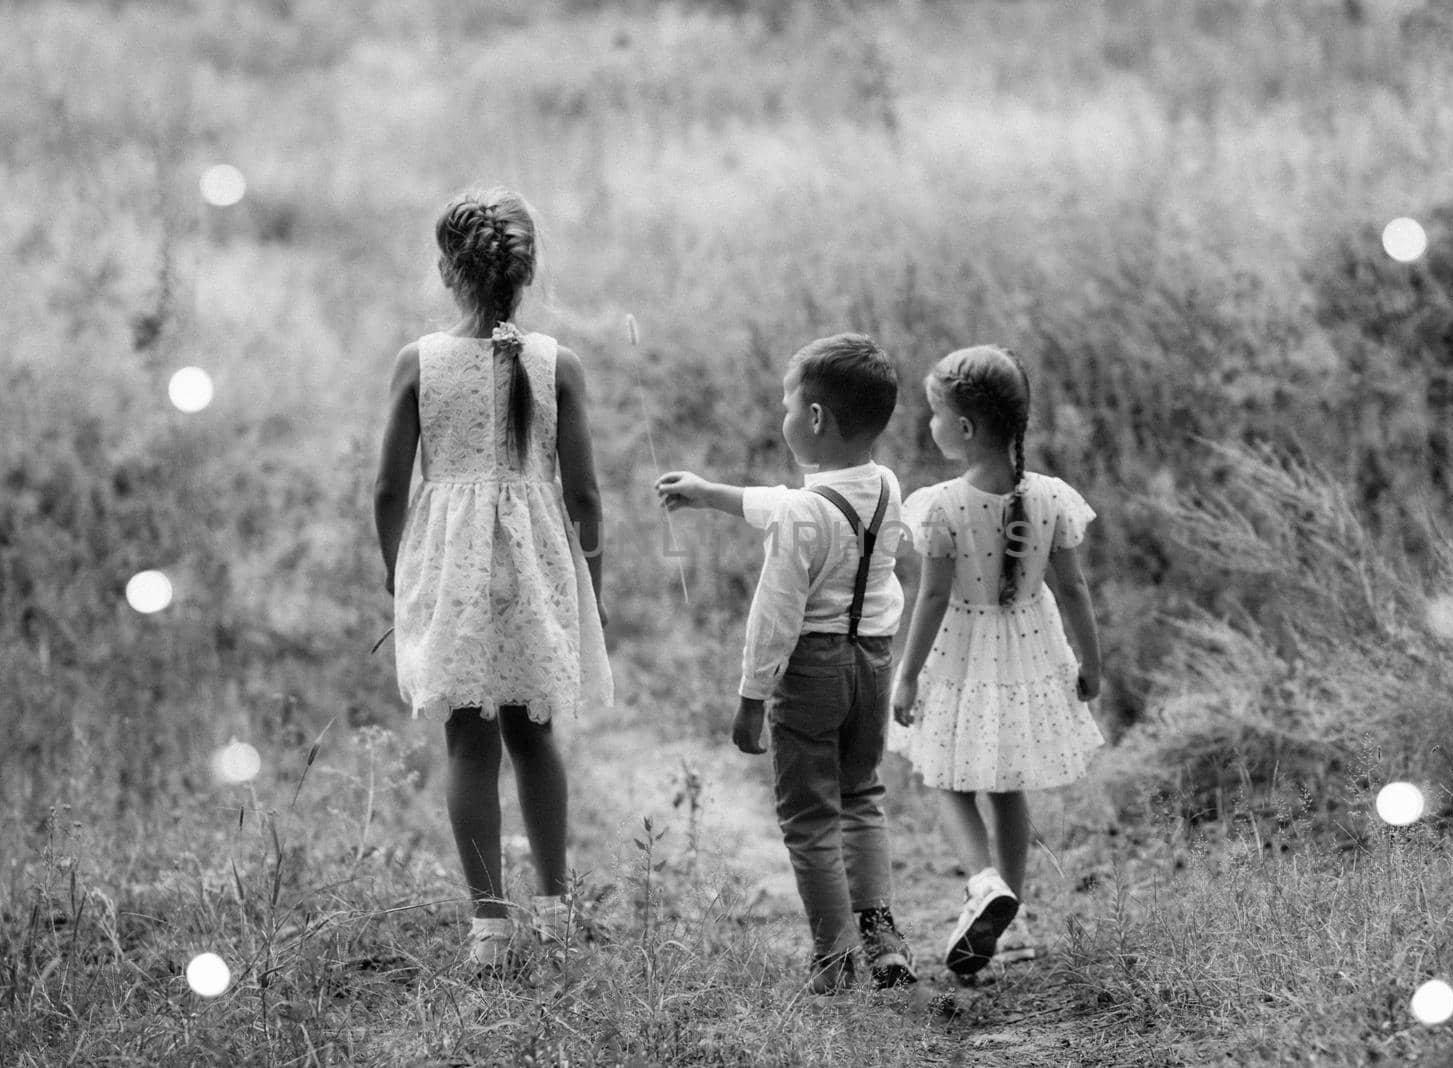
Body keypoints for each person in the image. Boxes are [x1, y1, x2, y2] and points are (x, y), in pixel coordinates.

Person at [373, 187, 612, 969]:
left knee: (467, 745)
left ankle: (489, 928)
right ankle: (554, 907)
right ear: (526, 271)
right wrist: (591, 591)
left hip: (453, 577)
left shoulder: (420, 362)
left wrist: (395, 574)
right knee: (535, 736)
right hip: (536, 569)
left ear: (449, 270)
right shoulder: (556, 364)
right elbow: (583, 495)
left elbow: (386, 490)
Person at [654, 333, 917, 995]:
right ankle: (881, 935)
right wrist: (712, 492)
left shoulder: (804, 515)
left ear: (817, 418)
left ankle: (834, 959)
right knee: (861, 799)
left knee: (808, 817)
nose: (784, 417)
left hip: (811, 673)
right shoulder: (884, 485)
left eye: (788, 405)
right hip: (873, 663)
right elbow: (797, 507)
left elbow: (774, 614)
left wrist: (750, 696)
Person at [889, 344, 1103, 976]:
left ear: (964, 428)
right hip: (1029, 656)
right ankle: (1016, 920)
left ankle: (985, 883)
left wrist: (906, 675)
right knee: (1007, 787)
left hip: (958, 657)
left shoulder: (942, 505)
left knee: (945, 778)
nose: (929, 427)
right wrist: (1092, 663)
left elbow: (930, 597)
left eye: (934, 415)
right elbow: (1074, 590)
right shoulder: (1052, 498)